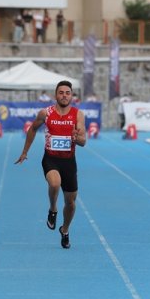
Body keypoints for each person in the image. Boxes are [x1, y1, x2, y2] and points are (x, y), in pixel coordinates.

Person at [14, 80, 87, 249]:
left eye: (67, 93)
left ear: (72, 96)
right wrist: (25, 152)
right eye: (61, 93)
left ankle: (65, 230)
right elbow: (32, 129)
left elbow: (83, 141)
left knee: (71, 203)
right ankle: (53, 209)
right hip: (51, 159)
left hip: (69, 162)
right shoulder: (45, 113)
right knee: (54, 183)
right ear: (56, 95)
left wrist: (76, 138)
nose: (64, 96)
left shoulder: (78, 115)